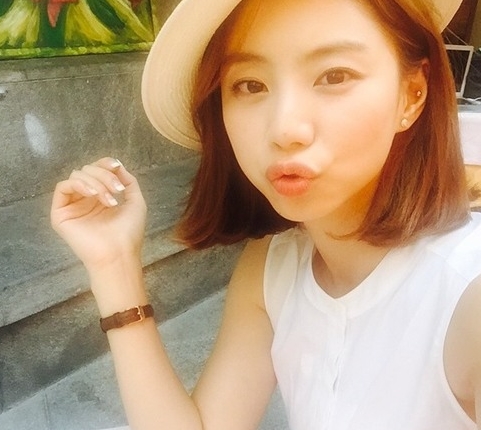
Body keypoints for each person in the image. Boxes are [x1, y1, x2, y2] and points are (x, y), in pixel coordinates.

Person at [50, 0, 481, 428]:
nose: (284, 129)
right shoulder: (273, 268)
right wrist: (114, 265)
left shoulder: (469, 296)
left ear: (412, 94)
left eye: (334, 76)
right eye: (250, 85)